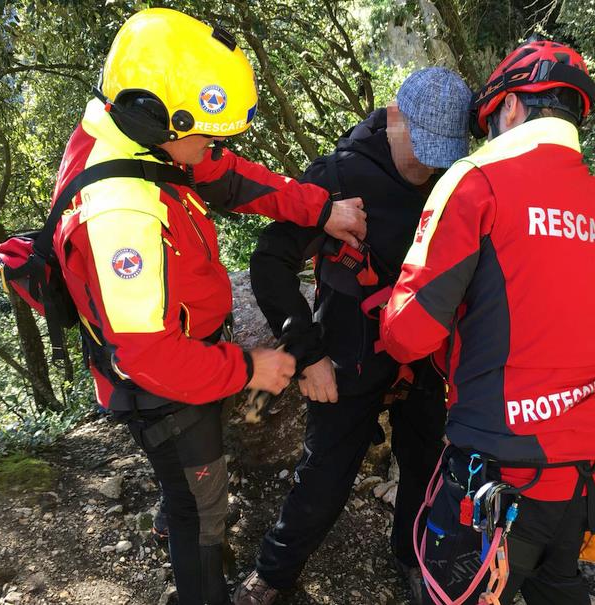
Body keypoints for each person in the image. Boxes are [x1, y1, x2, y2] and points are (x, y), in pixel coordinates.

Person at [50, 8, 366, 605]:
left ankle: (178, 517)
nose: (211, 147)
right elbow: (149, 356)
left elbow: (227, 178)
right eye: (204, 133)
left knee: (187, 498)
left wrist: (321, 210)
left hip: (186, 363)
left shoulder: (139, 140)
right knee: (202, 510)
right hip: (166, 392)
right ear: (151, 114)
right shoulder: (121, 212)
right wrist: (250, 367)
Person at [379, 39, 595, 605]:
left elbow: (409, 334)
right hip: (590, 476)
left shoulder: (477, 180)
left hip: (501, 478)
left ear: (511, 107)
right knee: (560, 588)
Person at [236, 67, 473, 605]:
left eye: (444, 151)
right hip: (346, 358)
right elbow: (270, 263)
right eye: (424, 146)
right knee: (323, 479)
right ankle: (274, 574)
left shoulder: (452, 178)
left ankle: (412, 558)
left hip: (426, 357)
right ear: (393, 117)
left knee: (427, 466)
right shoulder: (337, 176)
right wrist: (306, 351)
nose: (430, 163)